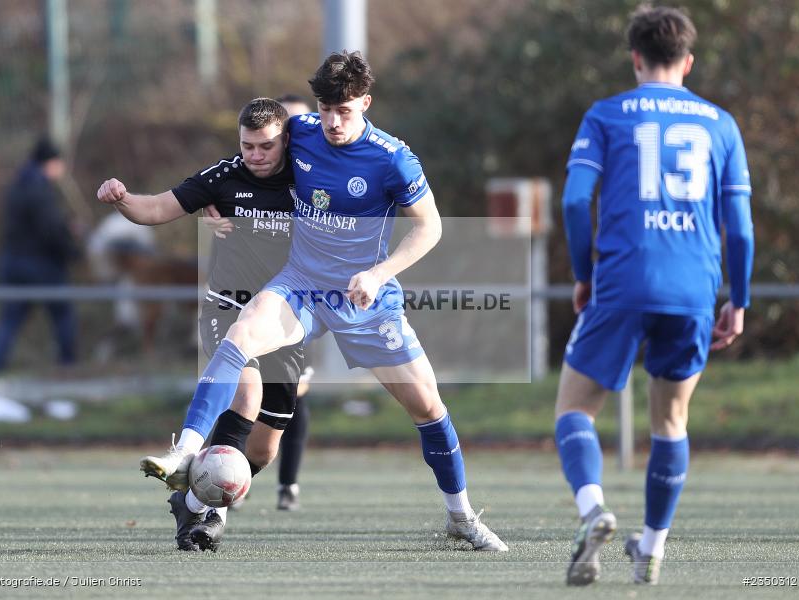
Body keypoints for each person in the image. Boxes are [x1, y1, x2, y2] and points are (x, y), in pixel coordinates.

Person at [139, 51, 508, 553]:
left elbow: (431, 227)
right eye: (326, 109)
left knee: (429, 408)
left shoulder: (392, 158)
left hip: (366, 300)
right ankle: (184, 452)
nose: (333, 122)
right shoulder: (302, 131)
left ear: (366, 104)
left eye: (346, 111)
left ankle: (460, 516)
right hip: (300, 285)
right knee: (240, 337)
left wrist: (380, 273)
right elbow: (253, 162)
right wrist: (214, 201)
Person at [555, 5, 754, 585]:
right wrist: (736, 298)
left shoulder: (606, 115)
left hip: (621, 280)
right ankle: (652, 547)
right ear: (687, 62)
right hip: (693, 286)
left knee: (574, 407)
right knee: (671, 419)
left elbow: (573, 202)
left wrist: (582, 272)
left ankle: (594, 509)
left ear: (635, 58)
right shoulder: (720, 123)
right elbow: (739, 226)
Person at [97, 98, 306, 551]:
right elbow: (156, 209)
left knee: (264, 449)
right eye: (247, 145)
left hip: (284, 321)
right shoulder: (223, 177)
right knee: (246, 392)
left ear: (285, 140)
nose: (255, 155)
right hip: (227, 310)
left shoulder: (307, 179)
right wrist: (123, 199)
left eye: (266, 146)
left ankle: (191, 500)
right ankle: (209, 514)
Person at [0, 137, 79, 371]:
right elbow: (49, 230)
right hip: (42, 265)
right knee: (63, 315)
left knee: (9, 319)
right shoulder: (41, 189)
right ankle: (69, 368)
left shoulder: (17, 184)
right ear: (51, 162)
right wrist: (73, 251)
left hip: (11, 261)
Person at [273, 92, 314, 512]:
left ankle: (289, 484)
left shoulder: (321, 174)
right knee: (238, 390)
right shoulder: (253, 170)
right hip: (251, 296)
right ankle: (227, 473)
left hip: (305, 297)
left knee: (295, 392)